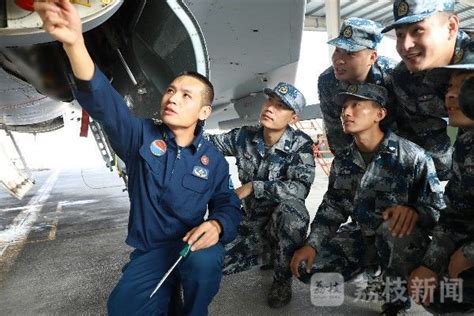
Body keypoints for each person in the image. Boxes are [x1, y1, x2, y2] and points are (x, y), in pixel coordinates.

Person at [34, 1, 242, 315]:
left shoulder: (212, 160)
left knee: (205, 261)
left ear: (204, 112)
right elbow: (105, 103)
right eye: (171, 90)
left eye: (186, 95)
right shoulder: (140, 137)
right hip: (151, 252)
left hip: (190, 247)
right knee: (123, 309)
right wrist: (75, 43)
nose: (172, 97)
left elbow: (227, 201)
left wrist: (217, 224)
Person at [290, 83, 446, 315]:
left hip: (400, 239)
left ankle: (395, 303)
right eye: (344, 107)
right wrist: (312, 245)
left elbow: (437, 209)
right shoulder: (344, 160)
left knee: (394, 231)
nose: (346, 112)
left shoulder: (412, 156)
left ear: (379, 114)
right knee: (308, 269)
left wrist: (414, 211)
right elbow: (333, 207)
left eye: (356, 105)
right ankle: (371, 267)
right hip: (361, 234)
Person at [208, 82, 315, 308]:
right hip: (251, 223)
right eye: (270, 101)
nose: (270, 108)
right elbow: (208, 144)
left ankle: (282, 279)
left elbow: (300, 188)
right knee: (209, 262)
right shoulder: (244, 136)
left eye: (281, 106)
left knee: (294, 213)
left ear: (293, 118)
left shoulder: (300, 144)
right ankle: (269, 253)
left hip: (280, 221)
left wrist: (253, 187)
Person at [408, 43, 474, 314]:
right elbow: (456, 212)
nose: (450, 96)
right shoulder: (466, 142)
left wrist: (470, 253)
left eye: (465, 84)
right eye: (448, 87)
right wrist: (431, 264)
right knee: (436, 293)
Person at [382, 0, 473, 180]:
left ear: (451, 27)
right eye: (400, 35)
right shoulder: (404, 77)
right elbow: (429, 142)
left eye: (418, 30)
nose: (405, 46)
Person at [318, 17, 396, 154]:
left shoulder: (393, 75)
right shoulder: (328, 81)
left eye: (350, 53)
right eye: (337, 50)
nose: (338, 60)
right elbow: (335, 131)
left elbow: (408, 125)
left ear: (372, 57)